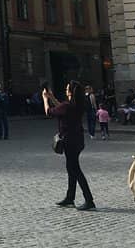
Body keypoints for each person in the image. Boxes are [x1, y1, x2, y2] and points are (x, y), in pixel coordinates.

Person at [44, 81, 95, 211]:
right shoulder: (76, 105)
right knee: (71, 168)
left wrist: (45, 100)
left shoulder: (68, 106)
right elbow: (61, 107)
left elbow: (49, 112)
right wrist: (52, 97)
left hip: (69, 141)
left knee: (75, 170)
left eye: (67, 89)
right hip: (77, 140)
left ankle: (89, 200)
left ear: (71, 92)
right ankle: (70, 197)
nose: (65, 90)